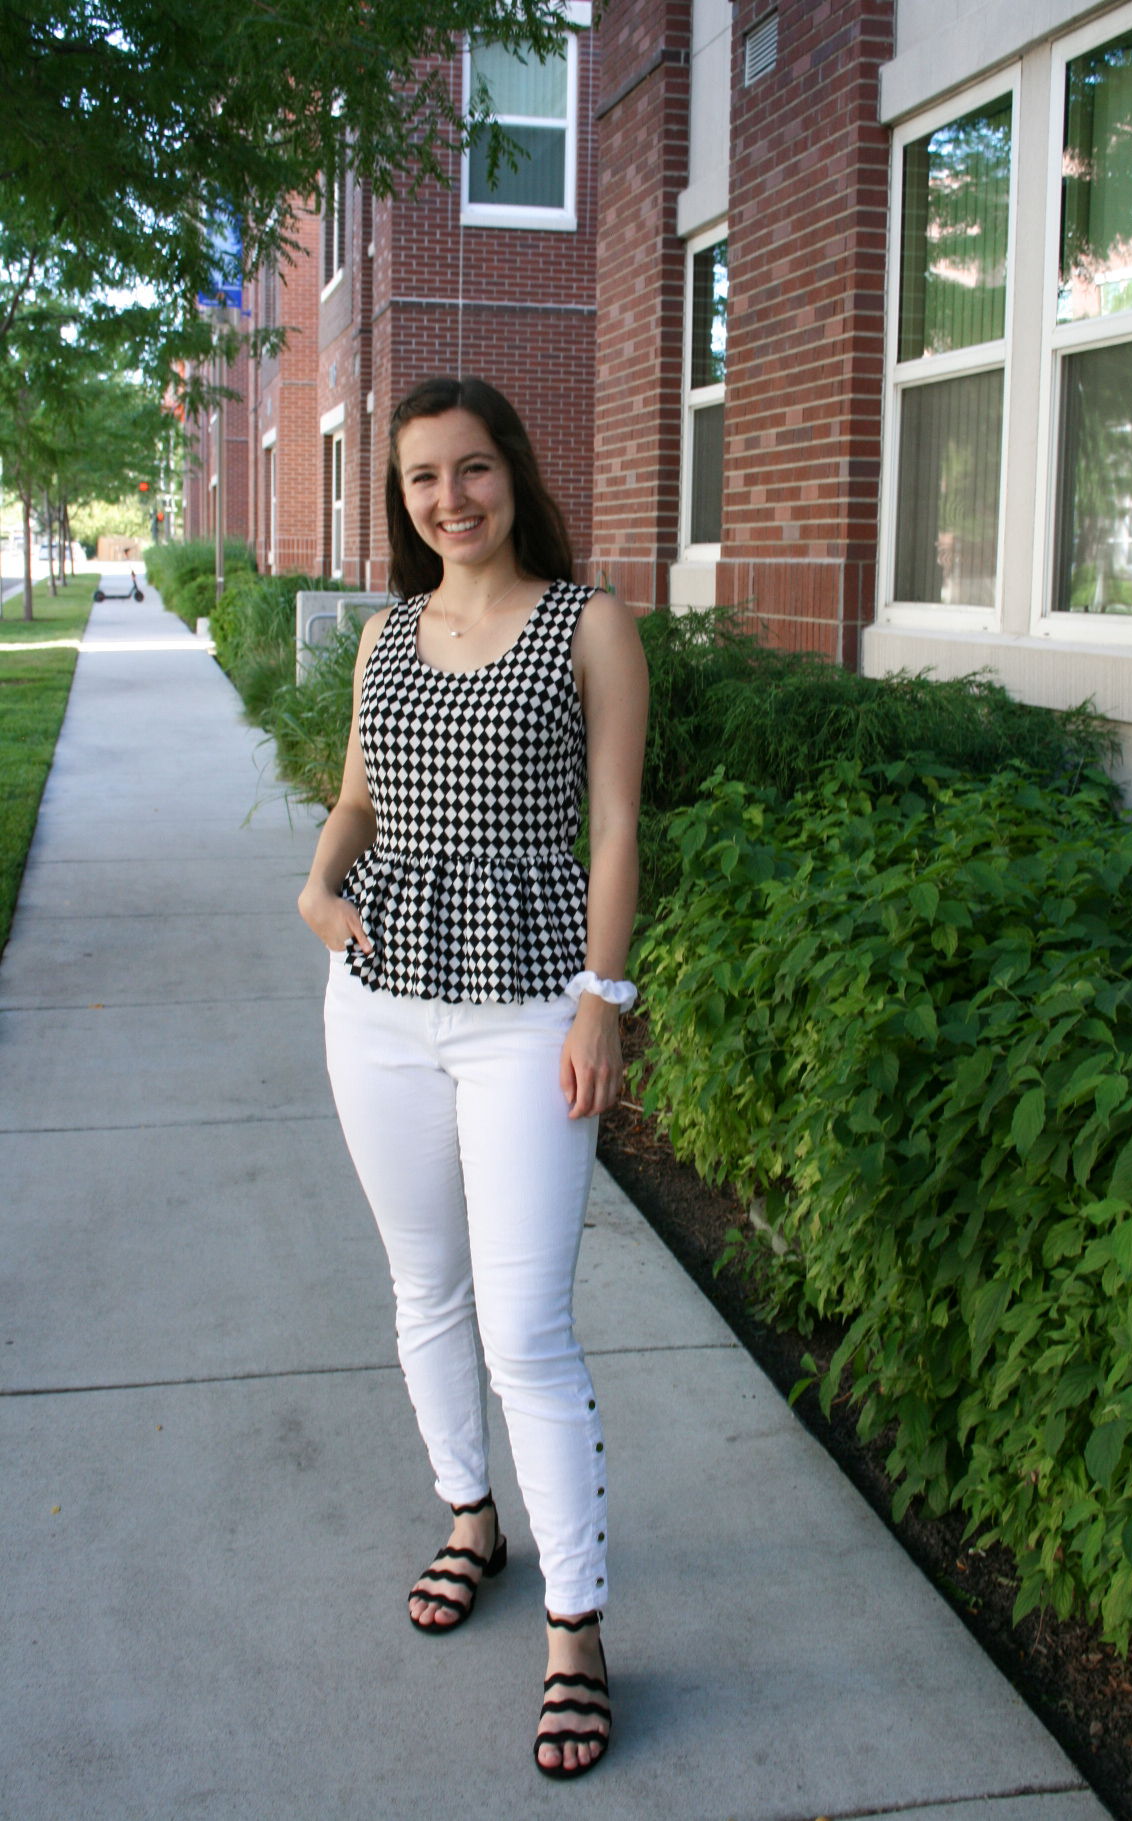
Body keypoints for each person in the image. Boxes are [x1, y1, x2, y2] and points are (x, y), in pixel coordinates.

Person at [298, 375, 648, 1780]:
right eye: (424, 479)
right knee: (421, 1288)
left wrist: (600, 1002)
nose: (450, 497)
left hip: (525, 1012)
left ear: (516, 474)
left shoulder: (590, 624)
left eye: (474, 469)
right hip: (378, 999)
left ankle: (577, 1627)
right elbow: (361, 795)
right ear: (404, 499)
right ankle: (469, 1515)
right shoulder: (389, 632)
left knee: (529, 1330)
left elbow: (616, 824)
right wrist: (318, 890)